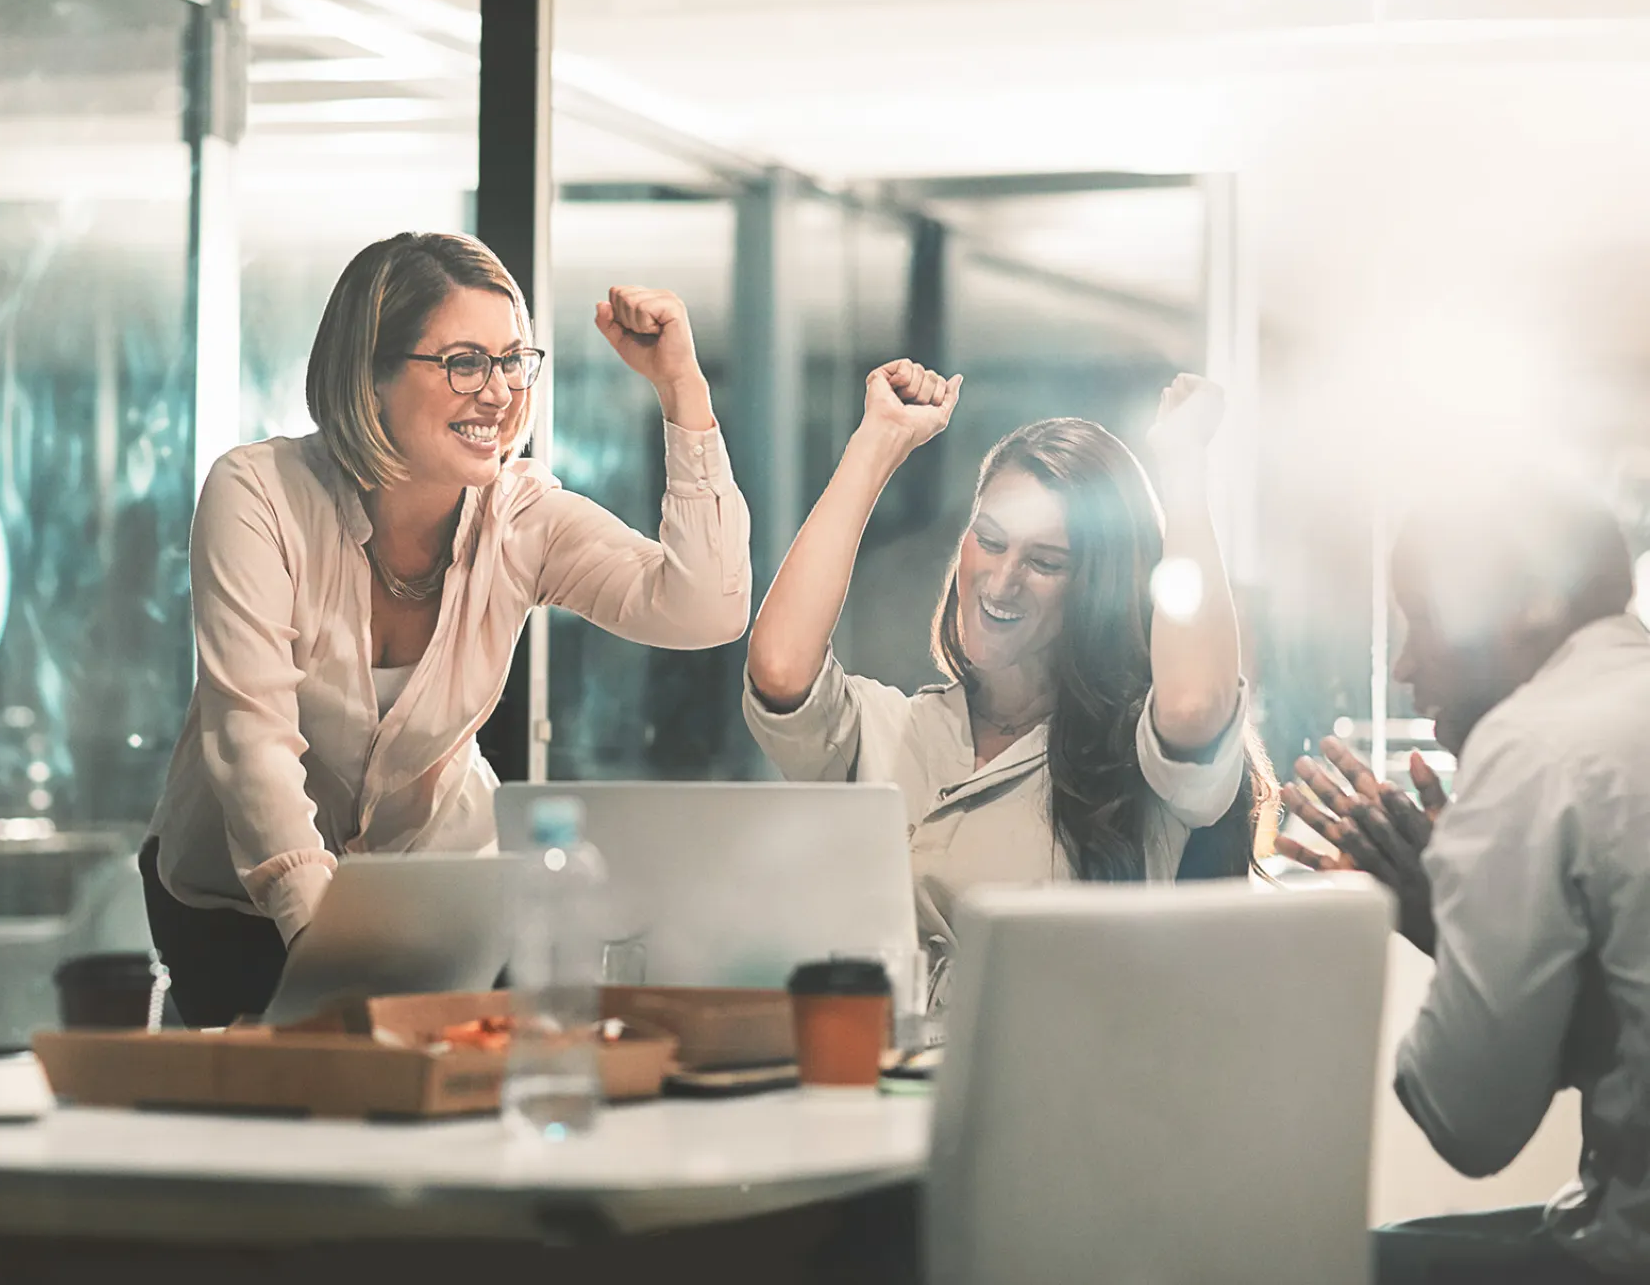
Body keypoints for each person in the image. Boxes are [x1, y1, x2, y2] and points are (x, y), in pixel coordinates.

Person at [142, 232, 751, 1026]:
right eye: (464, 362)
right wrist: (335, 955)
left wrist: (682, 388)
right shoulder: (257, 493)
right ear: (371, 377)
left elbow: (706, 607)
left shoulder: (524, 517)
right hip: (236, 904)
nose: (498, 393)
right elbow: (250, 745)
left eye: (512, 361)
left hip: (431, 899)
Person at [743, 360, 1276, 1004]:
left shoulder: (1138, 756)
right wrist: (878, 441)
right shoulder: (895, 728)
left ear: (1098, 587)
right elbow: (778, 665)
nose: (1001, 582)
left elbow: (1193, 703)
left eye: (1045, 562)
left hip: (1054, 1097)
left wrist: (1186, 472)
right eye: (989, 541)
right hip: (874, 1094)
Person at [1274, 477, 1647, 1284]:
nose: (1405, 662)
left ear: (1533, 606)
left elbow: (1467, 1124)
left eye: (1426, 618)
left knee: (1302, 1260)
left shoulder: (1535, 743)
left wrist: (1438, 916)